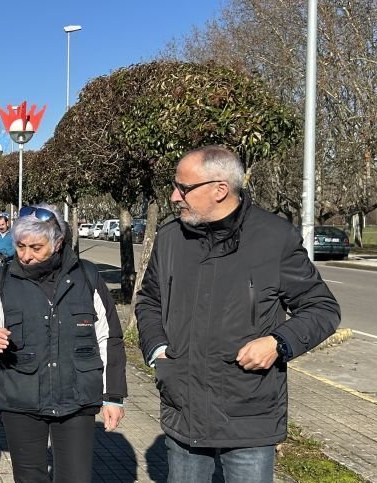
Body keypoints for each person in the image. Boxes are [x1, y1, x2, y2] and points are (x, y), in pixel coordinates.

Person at [135, 146, 341, 483]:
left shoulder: (274, 238)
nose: (174, 196)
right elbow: (149, 301)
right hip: (182, 407)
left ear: (220, 189)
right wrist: (159, 351)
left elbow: (322, 308)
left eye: (183, 188)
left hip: (248, 412)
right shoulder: (170, 238)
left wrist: (278, 342)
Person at [0, 204, 127, 483]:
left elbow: (109, 338)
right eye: (20, 246)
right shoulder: (2, 279)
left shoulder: (87, 277)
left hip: (77, 399)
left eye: (36, 247)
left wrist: (113, 396)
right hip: (21, 398)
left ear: (58, 243)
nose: (26, 256)